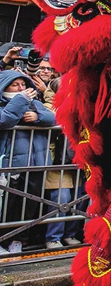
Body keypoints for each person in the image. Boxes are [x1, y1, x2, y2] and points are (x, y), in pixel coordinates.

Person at [0, 71, 57, 252]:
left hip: (37, 162)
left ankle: (18, 239)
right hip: (11, 164)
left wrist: (37, 117)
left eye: (23, 85)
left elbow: (53, 118)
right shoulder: (7, 102)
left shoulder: (34, 103)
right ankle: (2, 240)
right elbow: (5, 119)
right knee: (7, 204)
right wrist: (21, 100)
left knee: (29, 205)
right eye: (15, 84)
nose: (21, 88)